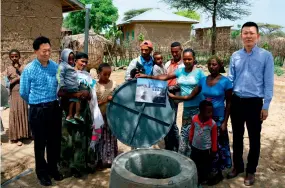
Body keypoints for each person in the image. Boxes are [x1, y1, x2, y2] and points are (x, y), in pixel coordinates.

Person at [169, 55, 233, 185]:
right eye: (210, 64)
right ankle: (207, 171)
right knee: (205, 146)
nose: (211, 67)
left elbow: (230, 103)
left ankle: (217, 173)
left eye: (214, 64)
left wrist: (225, 122)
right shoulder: (203, 80)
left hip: (218, 118)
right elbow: (191, 95)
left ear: (220, 66)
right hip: (204, 118)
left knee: (218, 146)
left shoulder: (226, 82)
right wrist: (172, 96)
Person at [227, 21, 274, 186]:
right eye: (245, 33)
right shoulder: (235, 56)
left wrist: (266, 106)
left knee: (254, 139)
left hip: (255, 103)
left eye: (251, 33)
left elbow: (269, 83)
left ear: (257, 36)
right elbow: (230, 79)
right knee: (237, 137)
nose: (248, 36)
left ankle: (251, 171)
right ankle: (237, 166)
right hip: (237, 101)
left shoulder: (265, 56)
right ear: (241, 36)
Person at [137, 48, 205, 154]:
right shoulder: (180, 71)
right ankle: (185, 159)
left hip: (199, 108)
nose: (187, 61)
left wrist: (175, 97)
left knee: (198, 135)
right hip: (187, 108)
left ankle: (197, 161)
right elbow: (165, 77)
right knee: (185, 134)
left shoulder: (199, 73)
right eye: (185, 59)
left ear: (194, 59)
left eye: (189, 59)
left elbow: (198, 91)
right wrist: (146, 76)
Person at [20, 36, 63, 186]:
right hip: (38, 110)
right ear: (36, 51)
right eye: (43, 51)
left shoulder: (55, 67)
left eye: (49, 50)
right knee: (40, 143)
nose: (47, 53)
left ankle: (53, 169)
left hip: (54, 108)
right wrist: (36, 103)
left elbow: (59, 86)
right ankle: (42, 173)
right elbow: (23, 92)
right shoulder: (29, 69)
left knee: (54, 142)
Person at [59, 52, 104, 178]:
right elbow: (60, 93)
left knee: (80, 140)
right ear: (75, 61)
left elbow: (92, 95)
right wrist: (76, 95)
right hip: (67, 111)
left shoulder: (87, 76)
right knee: (66, 140)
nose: (84, 64)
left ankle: (79, 167)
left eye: (86, 62)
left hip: (82, 112)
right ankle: (66, 168)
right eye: (81, 61)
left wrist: (86, 95)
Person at [189, 100, 217, 186]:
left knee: (205, 165)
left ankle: (202, 179)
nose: (210, 114)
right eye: (208, 112)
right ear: (201, 111)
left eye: (211, 112)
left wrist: (214, 150)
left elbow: (214, 138)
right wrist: (190, 140)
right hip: (195, 147)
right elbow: (192, 130)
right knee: (194, 163)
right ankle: (195, 178)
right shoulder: (194, 119)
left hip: (206, 149)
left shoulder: (212, 124)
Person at [96, 63, 118, 168]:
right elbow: (94, 104)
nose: (107, 77)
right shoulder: (95, 86)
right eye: (104, 74)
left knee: (111, 138)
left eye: (109, 74)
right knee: (100, 138)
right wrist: (106, 100)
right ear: (99, 73)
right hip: (100, 116)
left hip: (111, 117)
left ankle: (111, 159)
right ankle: (100, 160)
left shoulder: (114, 84)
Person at [163, 42, 184, 152]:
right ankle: (168, 145)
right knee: (165, 120)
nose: (174, 54)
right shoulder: (167, 64)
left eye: (176, 51)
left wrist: (168, 89)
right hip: (165, 95)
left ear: (181, 50)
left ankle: (177, 146)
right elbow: (164, 78)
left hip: (176, 96)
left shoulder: (183, 65)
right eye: (173, 52)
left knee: (172, 122)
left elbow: (181, 84)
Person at [6, 49, 30, 146]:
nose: (14, 58)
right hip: (14, 93)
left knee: (23, 112)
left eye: (16, 56)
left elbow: (27, 78)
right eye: (12, 56)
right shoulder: (8, 68)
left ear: (19, 57)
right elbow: (9, 83)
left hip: (23, 93)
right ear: (10, 58)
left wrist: (19, 70)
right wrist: (18, 78)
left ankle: (24, 134)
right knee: (15, 113)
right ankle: (16, 137)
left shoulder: (23, 67)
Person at [57, 49, 83, 124]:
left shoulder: (70, 66)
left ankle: (73, 115)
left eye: (72, 59)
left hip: (73, 87)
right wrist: (62, 85)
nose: (71, 61)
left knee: (75, 100)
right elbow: (59, 76)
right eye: (69, 59)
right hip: (68, 88)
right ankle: (72, 115)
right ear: (64, 58)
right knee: (75, 98)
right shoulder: (62, 66)